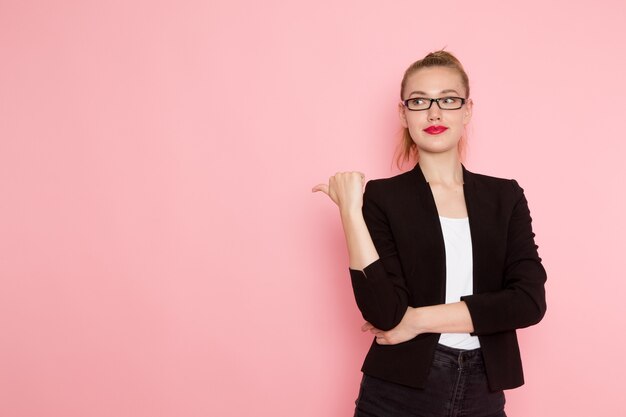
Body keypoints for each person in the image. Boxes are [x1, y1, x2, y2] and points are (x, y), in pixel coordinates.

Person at [312, 50, 547, 417]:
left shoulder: (505, 196)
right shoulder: (382, 197)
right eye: (420, 101)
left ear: (467, 110)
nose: (434, 113)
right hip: (396, 392)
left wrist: (417, 320)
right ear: (403, 113)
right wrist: (350, 212)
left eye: (448, 100)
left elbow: (528, 302)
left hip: (483, 388)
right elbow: (385, 313)